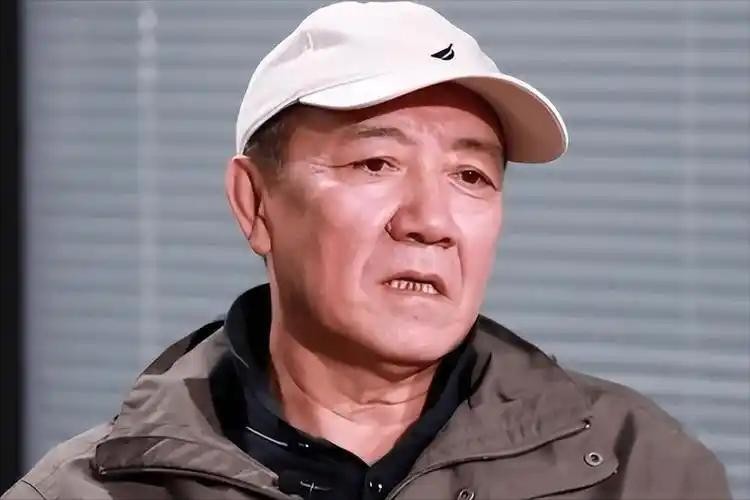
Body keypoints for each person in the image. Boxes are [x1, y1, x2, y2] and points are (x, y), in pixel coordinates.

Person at [3, 2, 732, 499]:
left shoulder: (637, 470)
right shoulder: (86, 491)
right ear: (254, 205)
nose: (430, 221)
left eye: (471, 176)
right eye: (375, 164)